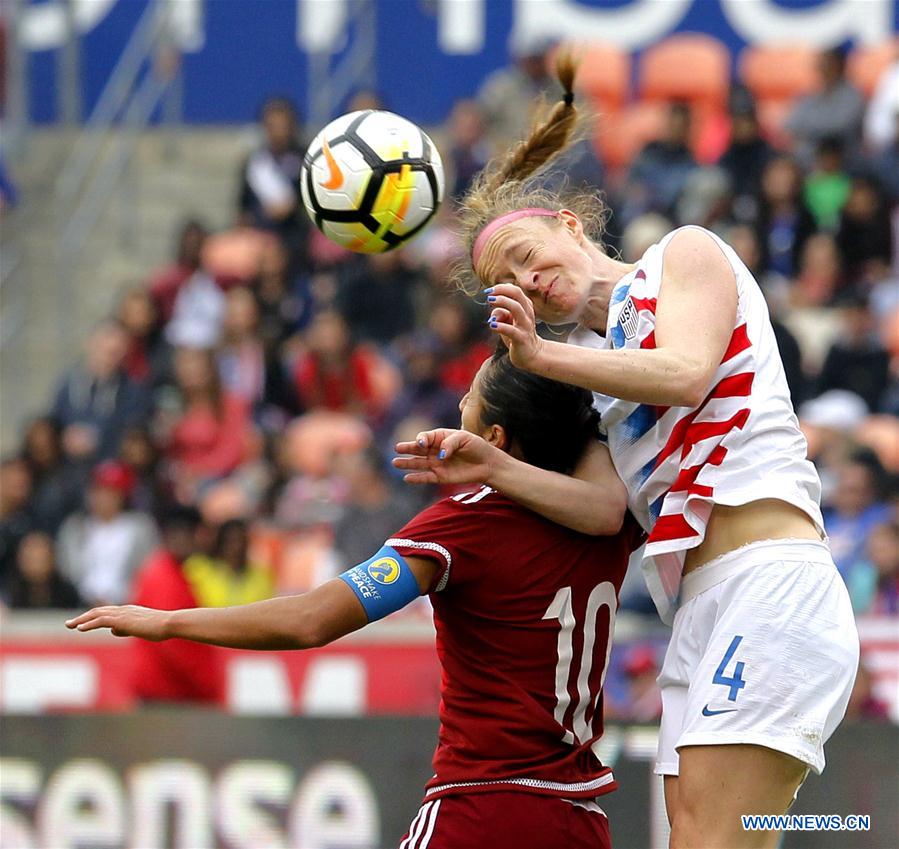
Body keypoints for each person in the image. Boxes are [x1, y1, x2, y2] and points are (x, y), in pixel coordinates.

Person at [401, 54, 859, 849]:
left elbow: (683, 373)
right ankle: (864, 825)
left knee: (717, 836)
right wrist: (495, 466)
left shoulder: (680, 257)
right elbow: (606, 508)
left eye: (524, 257)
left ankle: (865, 824)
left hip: (770, 581)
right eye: (505, 281)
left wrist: (540, 359)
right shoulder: (595, 373)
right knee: (708, 832)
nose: (528, 280)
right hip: (699, 609)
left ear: (570, 225)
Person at [67, 350, 639, 849]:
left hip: (481, 807)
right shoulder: (612, 523)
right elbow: (600, 449)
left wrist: (169, 622)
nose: (459, 401)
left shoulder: (465, 527)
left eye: (470, 395)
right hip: (579, 817)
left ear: (494, 439)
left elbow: (312, 619)